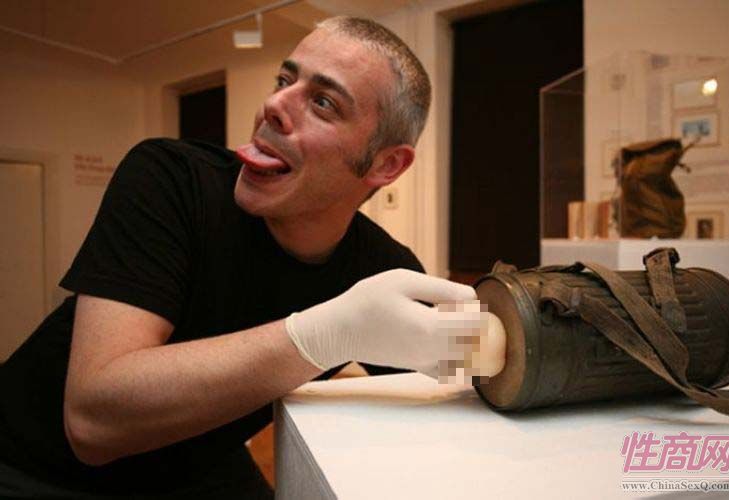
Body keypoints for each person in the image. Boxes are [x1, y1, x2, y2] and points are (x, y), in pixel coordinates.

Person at [0, 16, 480, 498]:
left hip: (197, 452)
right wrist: (325, 335)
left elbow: (469, 373)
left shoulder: (382, 268)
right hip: (33, 466)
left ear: (386, 164)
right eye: (284, 80)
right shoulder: (170, 178)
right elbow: (91, 421)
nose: (273, 104)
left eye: (323, 102)